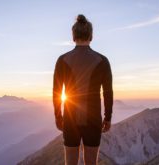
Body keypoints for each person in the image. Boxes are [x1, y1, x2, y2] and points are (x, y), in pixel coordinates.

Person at [53, 14, 113, 165]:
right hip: (93, 119)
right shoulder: (102, 61)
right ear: (91, 36)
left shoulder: (62, 60)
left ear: (73, 36)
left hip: (70, 118)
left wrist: (58, 116)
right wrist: (108, 118)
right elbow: (108, 93)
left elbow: (57, 92)